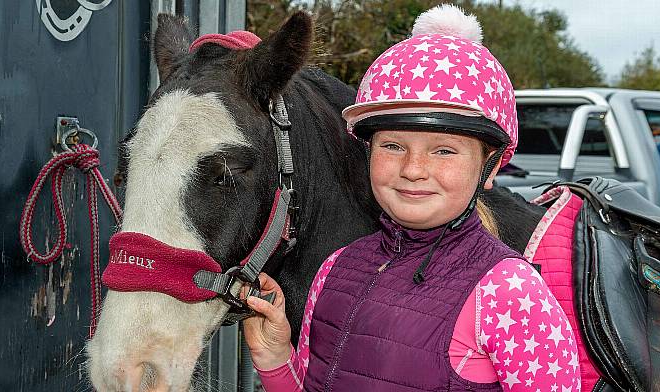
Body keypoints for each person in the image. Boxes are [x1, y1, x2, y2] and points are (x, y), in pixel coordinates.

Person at [243, 4, 581, 391]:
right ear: (367, 153)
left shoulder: (511, 293)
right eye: (392, 146)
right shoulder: (335, 268)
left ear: (489, 166)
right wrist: (273, 359)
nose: (413, 169)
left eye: (444, 150)